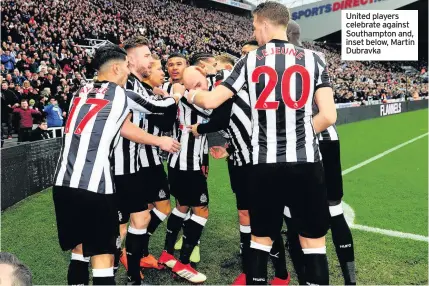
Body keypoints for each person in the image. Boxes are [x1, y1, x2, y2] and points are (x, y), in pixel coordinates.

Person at [185, 2, 337, 284]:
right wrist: (298, 134)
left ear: (265, 24)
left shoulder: (249, 61)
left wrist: (187, 93)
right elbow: (328, 115)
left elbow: (211, 101)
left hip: (265, 163)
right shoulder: (316, 59)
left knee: (260, 238)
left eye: (255, 26)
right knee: (313, 242)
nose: (255, 33)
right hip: (306, 162)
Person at [52, 44, 180, 286]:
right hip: (96, 186)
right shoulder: (121, 94)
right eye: (126, 68)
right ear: (116, 68)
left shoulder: (78, 92)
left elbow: (118, 125)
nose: (128, 72)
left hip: (63, 185)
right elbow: (158, 107)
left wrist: (158, 140)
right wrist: (176, 95)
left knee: (79, 250)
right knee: (103, 255)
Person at [281, 20, 356, 285]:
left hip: (300, 144)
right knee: (334, 211)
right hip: (329, 139)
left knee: (293, 214)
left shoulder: (279, 61)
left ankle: (304, 277)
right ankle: (350, 280)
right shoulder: (317, 58)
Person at [112, 36, 181, 285]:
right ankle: (123, 268)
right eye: (147, 55)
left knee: (141, 218)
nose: (151, 59)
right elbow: (132, 124)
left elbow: (157, 115)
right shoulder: (125, 86)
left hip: (137, 164)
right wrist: (174, 97)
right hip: (123, 166)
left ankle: (132, 267)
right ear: (129, 59)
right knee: (129, 221)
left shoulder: (138, 85)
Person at [157, 53, 217, 284]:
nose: (173, 67)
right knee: (201, 210)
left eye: (178, 64)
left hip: (184, 161)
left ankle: (166, 254)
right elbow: (211, 113)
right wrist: (184, 97)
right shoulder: (177, 93)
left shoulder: (186, 90)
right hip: (185, 161)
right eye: (170, 64)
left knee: (181, 206)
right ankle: (182, 264)